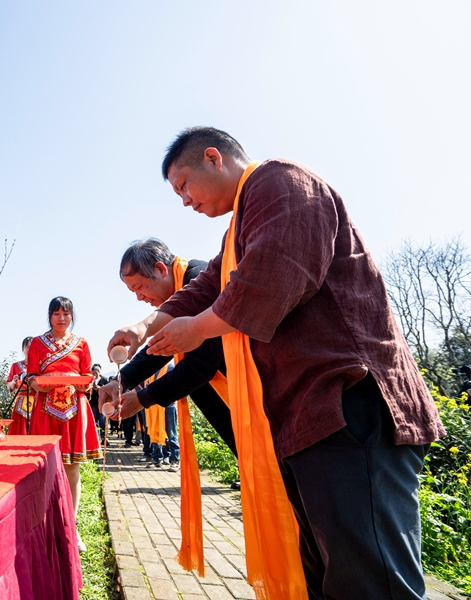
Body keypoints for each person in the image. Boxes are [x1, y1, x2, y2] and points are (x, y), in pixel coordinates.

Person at [109, 126, 444, 599]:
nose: (184, 201)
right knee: (329, 573)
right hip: (306, 419)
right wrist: (146, 328)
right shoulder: (235, 232)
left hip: (351, 403)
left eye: (184, 185)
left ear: (213, 157)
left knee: (370, 577)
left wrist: (198, 329)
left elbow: (274, 274)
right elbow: (206, 292)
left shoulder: (280, 181)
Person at [100, 238, 238, 477]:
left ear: (160, 269)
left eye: (139, 287)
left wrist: (142, 398)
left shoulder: (199, 278)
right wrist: (121, 382)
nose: (139, 298)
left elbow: (200, 365)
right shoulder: (180, 292)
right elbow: (159, 348)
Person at [27, 296, 101, 552]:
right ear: (49, 316)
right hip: (45, 409)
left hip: (73, 410)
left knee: (72, 468)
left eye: (66, 314)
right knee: (44, 468)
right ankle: (43, 523)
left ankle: (72, 525)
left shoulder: (81, 343)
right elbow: (32, 374)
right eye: (56, 313)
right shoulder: (37, 343)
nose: (61, 318)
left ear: (71, 316)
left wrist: (83, 382)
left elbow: (88, 374)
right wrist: (36, 383)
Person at [7, 336, 34, 435]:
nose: (29, 349)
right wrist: (14, 381)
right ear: (23, 348)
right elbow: (9, 387)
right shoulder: (16, 366)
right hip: (20, 402)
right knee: (19, 430)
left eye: (32, 347)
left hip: (37, 400)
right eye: (27, 346)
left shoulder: (41, 366)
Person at [88, 364, 110, 443]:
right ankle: (97, 438)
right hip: (93, 403)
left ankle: (105, 438)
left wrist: (100, 389)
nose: (95, 374)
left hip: (102, 403)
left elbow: (108, 390)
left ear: (99, 372)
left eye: (96, 372)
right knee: (94, 421)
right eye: (93, 372)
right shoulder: (90, 380)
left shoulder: (104, 379)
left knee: (102, 420)